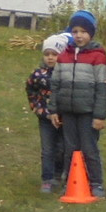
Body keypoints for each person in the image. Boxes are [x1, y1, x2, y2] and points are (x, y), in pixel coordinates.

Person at [51, 10, 106, 199]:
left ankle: (96, 183)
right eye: (75, 31)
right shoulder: (63, 56)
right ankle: (69, 181)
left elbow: (102, 88)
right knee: (69, 149)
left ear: (90, 33)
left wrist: (99, 115)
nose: (79, 35)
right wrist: (54, 110)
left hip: (88, 112)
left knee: (89, 148)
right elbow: (55, 85)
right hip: (68, 111)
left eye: (83, 31)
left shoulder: (98, 57)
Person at [27, 36, 66, 194]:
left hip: (64, 117)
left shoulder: (67, 74)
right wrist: (37, 108)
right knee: (48, 149)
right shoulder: (37, 75)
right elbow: (31, 90)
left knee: (62, 148)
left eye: (54, 54)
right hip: (45, 117)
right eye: (47, 54)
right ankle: (47, 178)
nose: (50, 57)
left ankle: (59, 174)